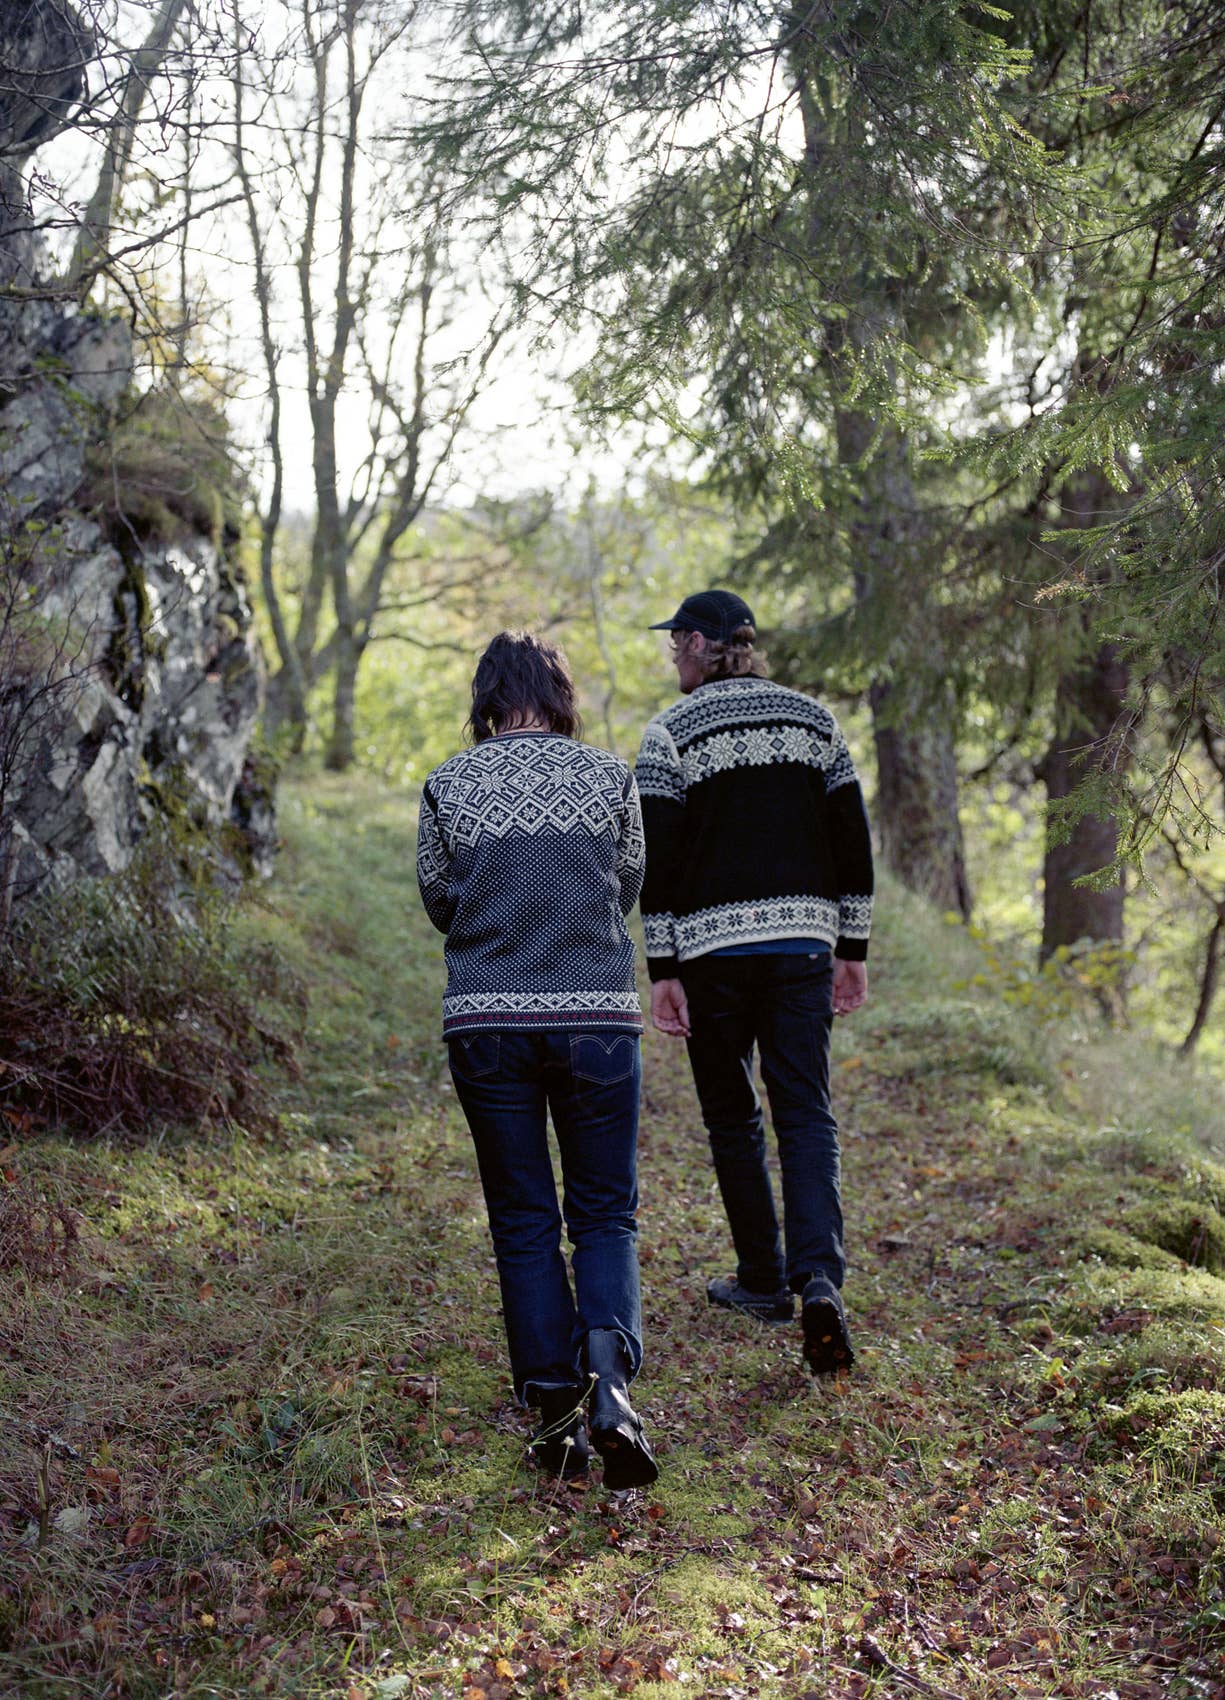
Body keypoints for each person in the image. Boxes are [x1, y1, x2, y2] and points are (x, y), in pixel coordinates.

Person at [416, 630, 658, 1488]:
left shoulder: (448, 784)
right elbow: (625, 886)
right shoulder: (608, 776)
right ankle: (612, 1388)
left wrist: (502, 920)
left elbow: (440, 898)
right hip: (597, 1018)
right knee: (602, 1212)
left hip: (486, 1023)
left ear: (486, 698)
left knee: (522, 1219)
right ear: (558, 695)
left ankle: (554, 1408)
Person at [634, 589, 873, 1376]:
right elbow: (850, 838)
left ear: (700, 645)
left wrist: (662, 968)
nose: (672, 657)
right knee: (805, 1113)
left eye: (676, 645)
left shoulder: (667, 734)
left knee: (733, 1118)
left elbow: (656, 865)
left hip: (709, 956)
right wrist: (852, 946)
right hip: (803, 944)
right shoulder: (815, 722)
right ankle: (818, 1282)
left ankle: (763, 1280)